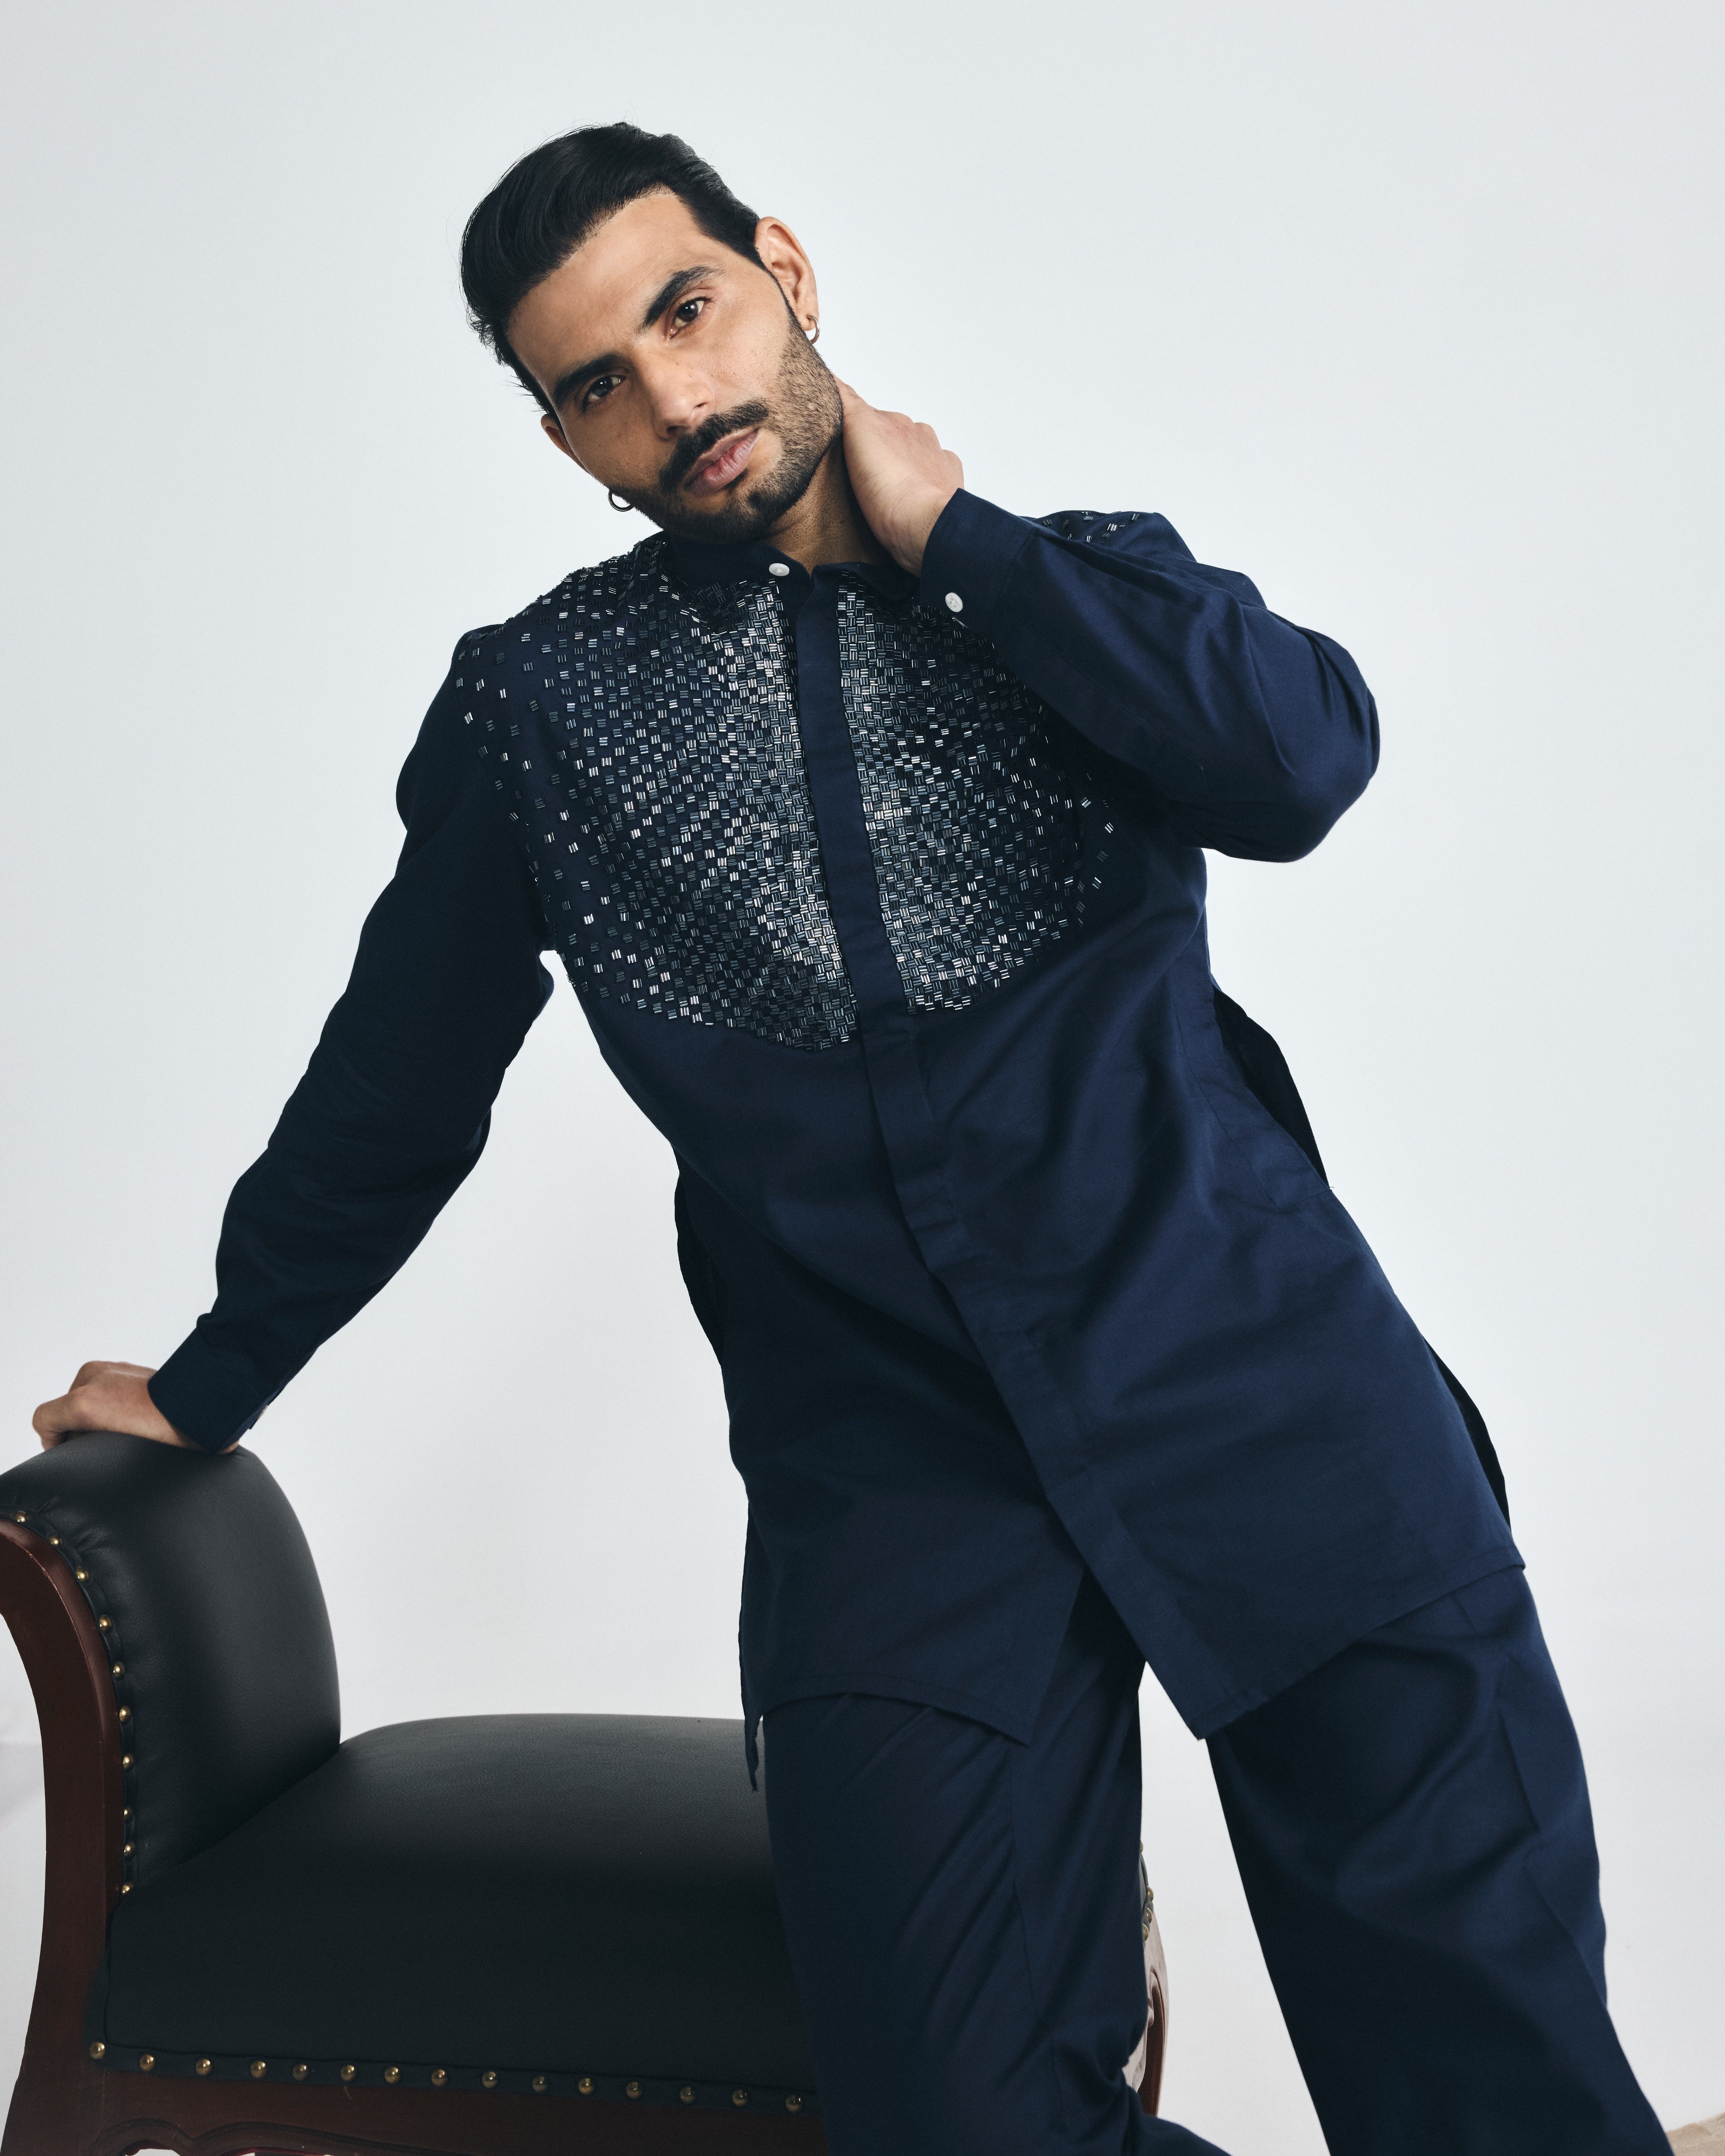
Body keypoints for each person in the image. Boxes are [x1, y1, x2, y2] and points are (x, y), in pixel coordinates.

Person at [34, 124, 1666, 2155]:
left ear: (782, 269)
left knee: (1499, 2085)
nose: (671, 397)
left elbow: (1301, 758)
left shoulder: (1069, 585)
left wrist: (960, 534)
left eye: (687, 310)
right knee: (947, 2118)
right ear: (561, 438)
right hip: (893, 1482)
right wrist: (211, 1374)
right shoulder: (539, 712)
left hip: (1267, 1393)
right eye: (595, 384)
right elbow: (399, 1083)